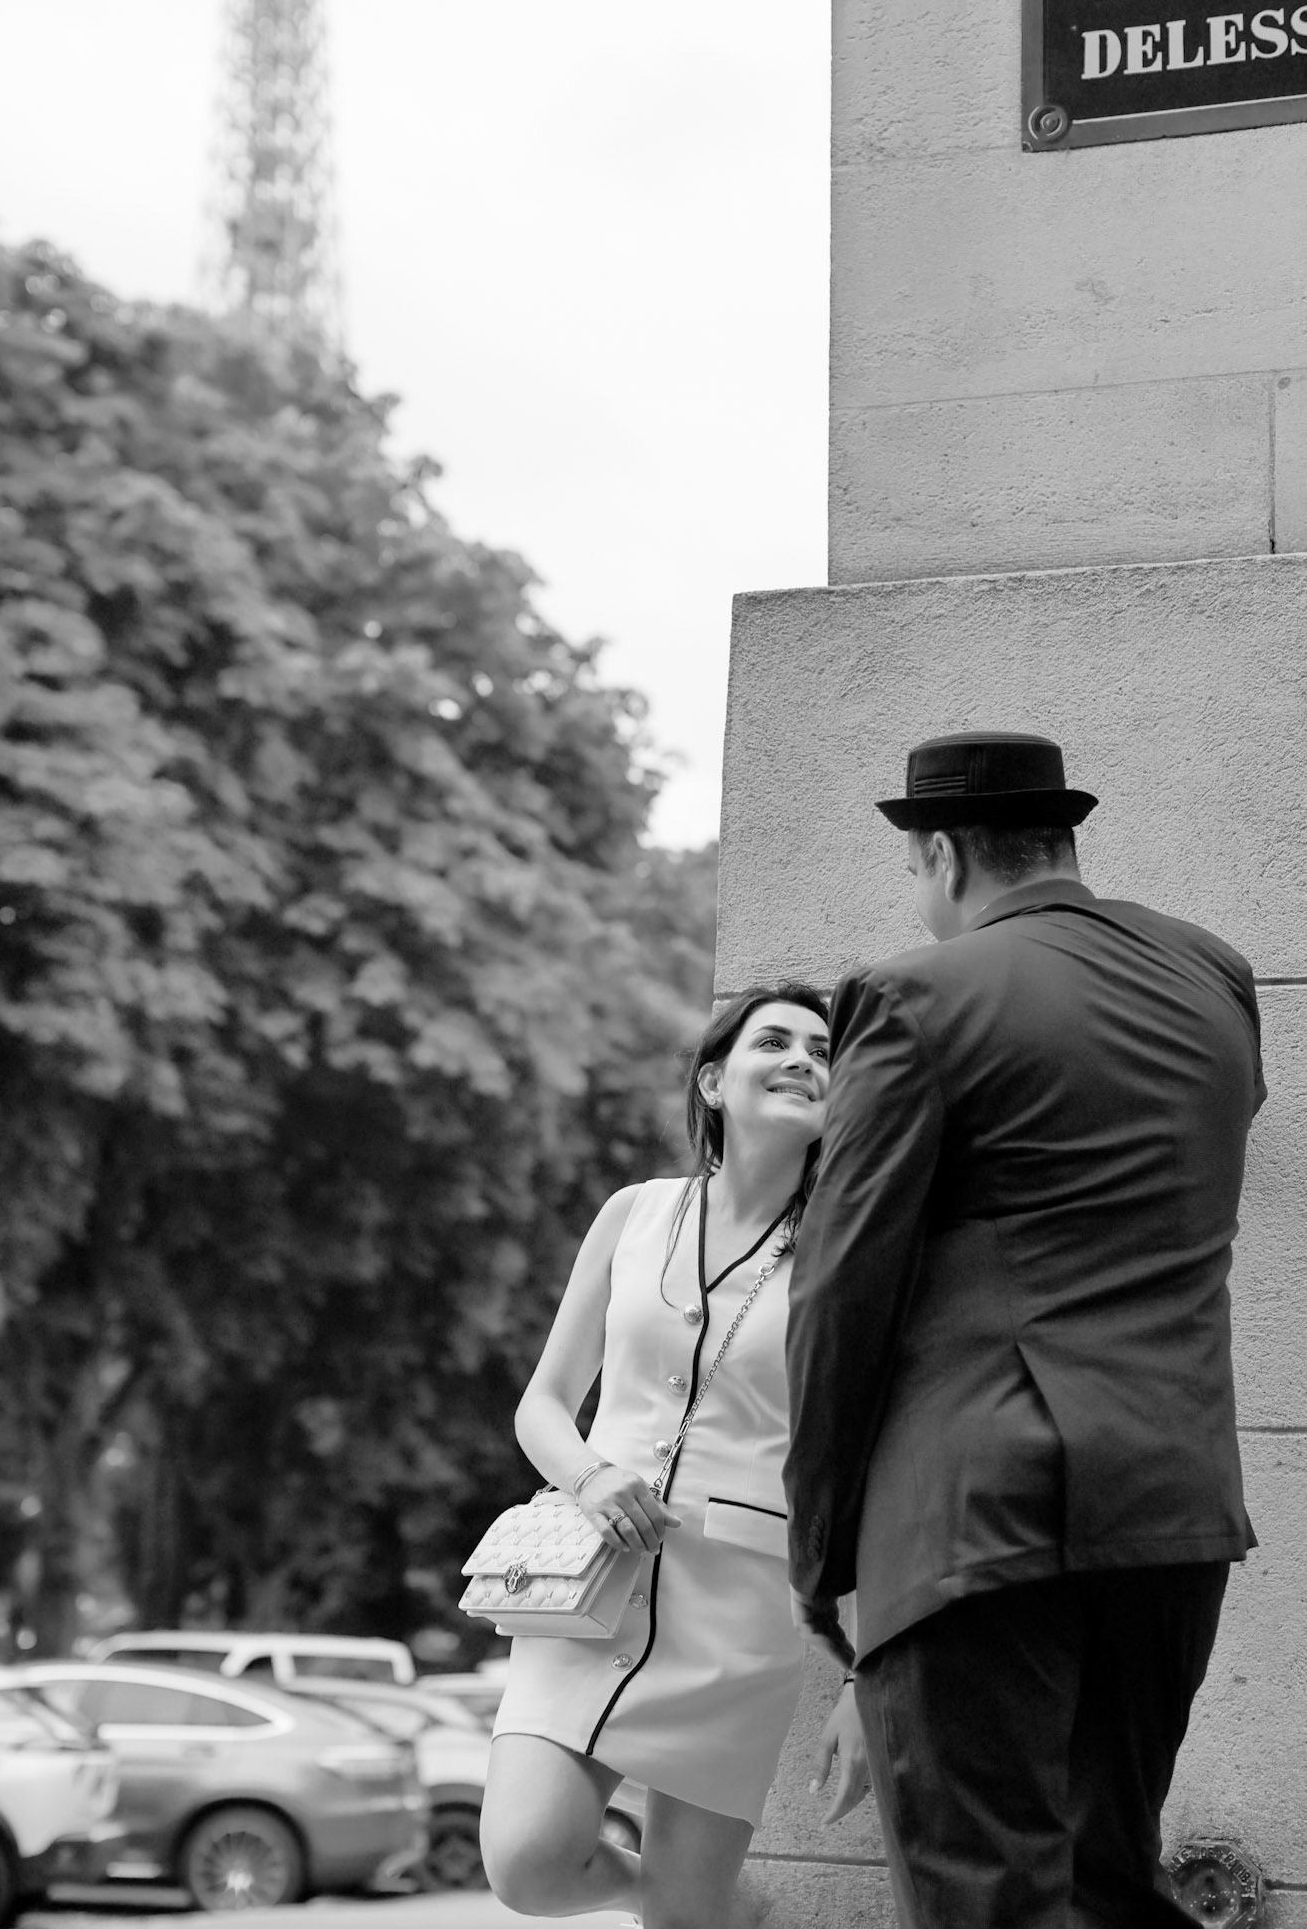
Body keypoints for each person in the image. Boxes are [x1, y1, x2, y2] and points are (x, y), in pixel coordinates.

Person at [784, 730, 1266, 1929]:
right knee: (1110, 1884)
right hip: (1173, 1511)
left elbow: (840, 1293)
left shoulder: (914, 996)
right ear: (1058, 836)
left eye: (913, 870)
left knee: (986, 1898)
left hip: (976, 1522)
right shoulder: (1215, 974)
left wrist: (819, 1557)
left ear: (940, 853)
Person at [482, 983, 864, 1929]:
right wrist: (588, 1473)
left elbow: (866, 1466)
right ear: (711, 1081)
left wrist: (864, 1672)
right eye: (772, 1040)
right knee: (525, 1865)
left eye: (820, 1052)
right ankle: (734, 1909)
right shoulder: (633, 1214)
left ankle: (703, 1909)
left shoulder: (839, 1254)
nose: (800, 1060)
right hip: (586, 1594)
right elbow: (541, 1406)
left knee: (681, 1924)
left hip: (739, 1618)